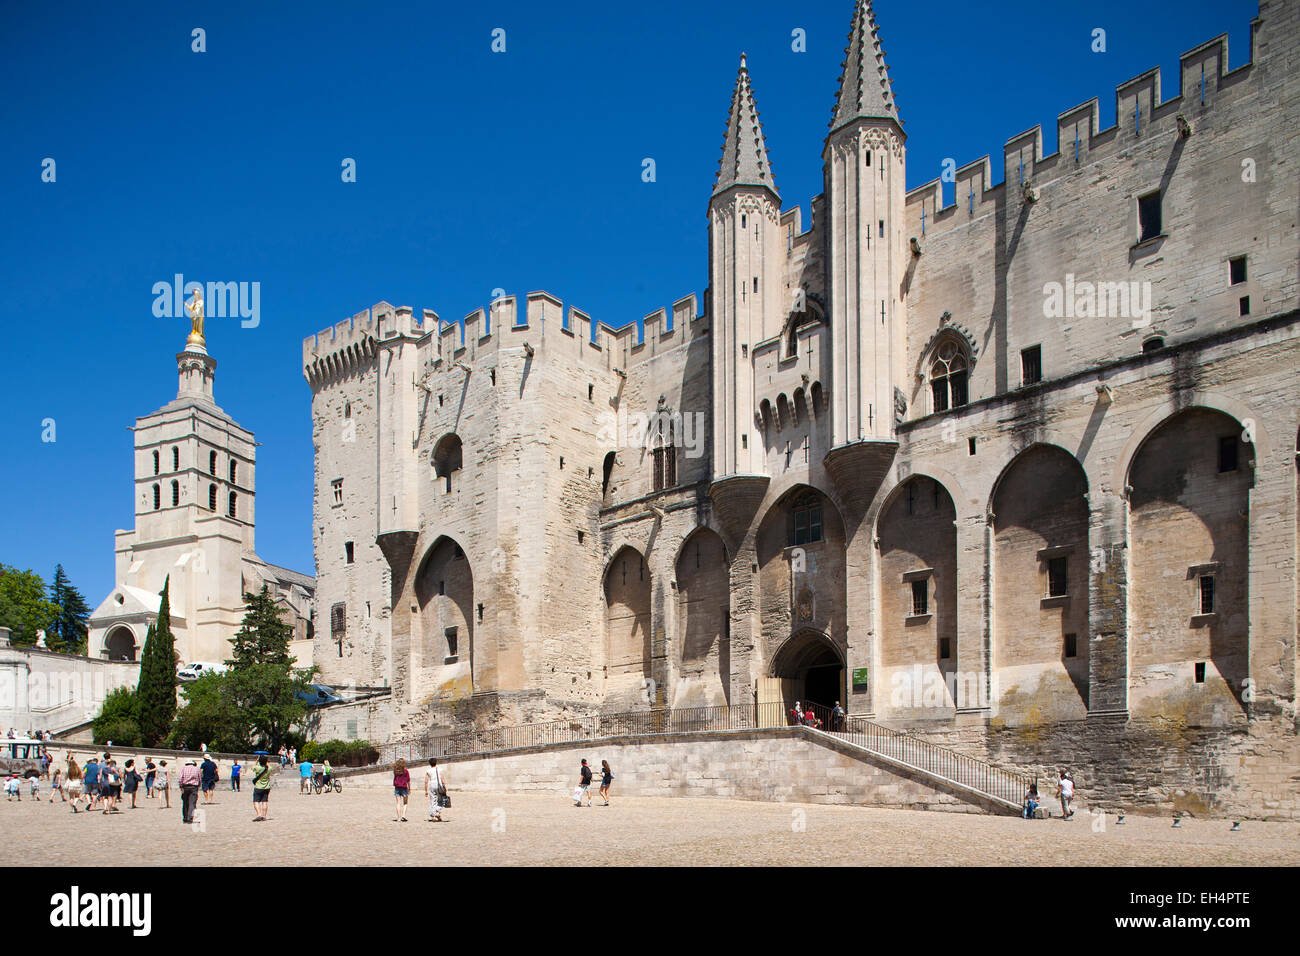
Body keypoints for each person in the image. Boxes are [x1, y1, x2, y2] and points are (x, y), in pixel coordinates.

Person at [425, 758, 447, 822]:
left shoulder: (428, 771)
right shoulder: (440, 769)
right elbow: (442, 779)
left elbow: (426, 781)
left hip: (432, 785)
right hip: (439, 785)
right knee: (440, 799)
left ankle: (433, 815)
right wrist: (444, 787)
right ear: (436, 762)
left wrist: (426, 790)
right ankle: (437, 812)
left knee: (433, 800)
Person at [251, 755, 272, 821]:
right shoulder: (269, 768)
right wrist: (266, 760)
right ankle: (264, 816)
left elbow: (252, 767)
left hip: (258, 787)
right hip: (266, 787)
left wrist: (256, 761)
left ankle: (259, 814)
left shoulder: (257, 768)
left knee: (256, 801)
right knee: (264, 801)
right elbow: (269, 765)